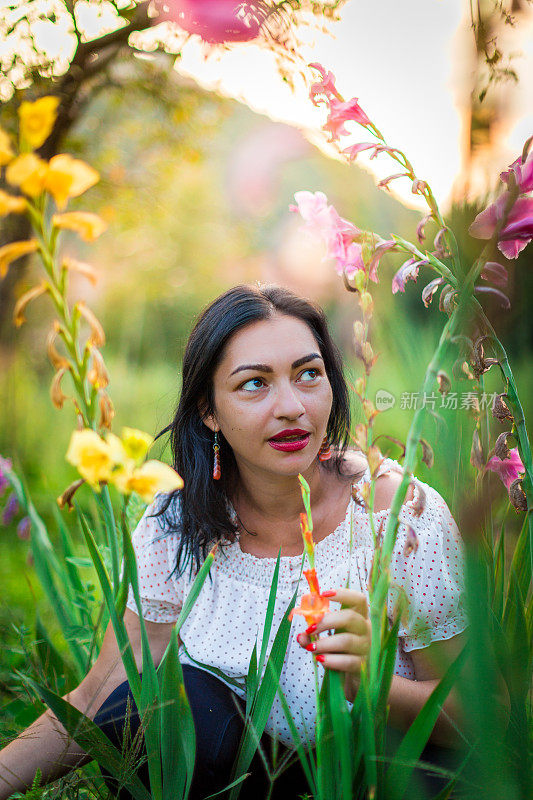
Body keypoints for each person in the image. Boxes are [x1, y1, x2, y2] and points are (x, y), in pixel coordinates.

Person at [0, 284, 468, 800]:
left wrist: (372, 681)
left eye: (308, 374)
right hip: (252, 785)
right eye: (254, 384)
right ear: (209, 410)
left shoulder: (399, 518)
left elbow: (477, 713)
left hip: (383, 777)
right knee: (154, 707)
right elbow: (95, 698)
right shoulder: (178, 525)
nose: (292, 407)